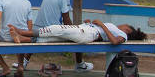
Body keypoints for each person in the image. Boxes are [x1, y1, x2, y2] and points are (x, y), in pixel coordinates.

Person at [26, 0, 94, 72]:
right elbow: (66, 19)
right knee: (79, 37)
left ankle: (24, 62)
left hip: (38, 29)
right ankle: (80, 65)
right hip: (51, 32)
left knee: (75, 32)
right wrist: (76, 30)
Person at [8, 19, 147, 44]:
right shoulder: (116, 29)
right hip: (86, 31)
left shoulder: (122, 34)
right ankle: (21, 39)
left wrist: (102, 25)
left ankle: (22, 32)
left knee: (56, 28)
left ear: (127, 29)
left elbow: (115, 41)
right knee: (49, 38)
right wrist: (90, 23)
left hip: (87, 34)